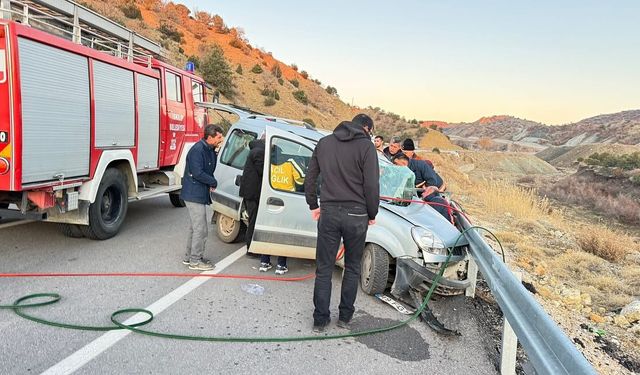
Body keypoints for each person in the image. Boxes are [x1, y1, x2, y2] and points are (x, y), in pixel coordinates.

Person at [305, 113, 380, 333]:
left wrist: (313, 205)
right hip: (357, 215)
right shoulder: (367, 148)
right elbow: (372, 185)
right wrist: (372, 212)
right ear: (366, 128)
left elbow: (310, 178)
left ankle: (320, 319)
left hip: (329, 212)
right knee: (352, 267)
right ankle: (345, 317)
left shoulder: (324, 142)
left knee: (324, 268)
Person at [181, 124, 225, 271]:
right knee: (201, 229)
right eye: (219, 137)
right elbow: (197, 172)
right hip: (193, 194)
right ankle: (195, 261)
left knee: (195, 228)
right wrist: (212, 181)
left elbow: (208, 169)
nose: (221, 139)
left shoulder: (210, 150)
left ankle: (189, 257)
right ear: (210, 137)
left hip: (199, 192)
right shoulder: (197, 150)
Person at [392, 153, 450, 221]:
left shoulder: (421, 165)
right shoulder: (401, 171)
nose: (395, 166)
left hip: (435, 193)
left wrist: (422, 192)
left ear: (404, 163)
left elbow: (432, 181)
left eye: (396, 164)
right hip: (418, 195)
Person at [239, 138, 265, 253]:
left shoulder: (255, 150)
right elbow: (262, 171)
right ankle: (251, 249)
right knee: (253, 221)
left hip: (249, 192)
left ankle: (252, 246)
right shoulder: (259, 152)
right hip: (253, 193)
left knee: (252, 219)